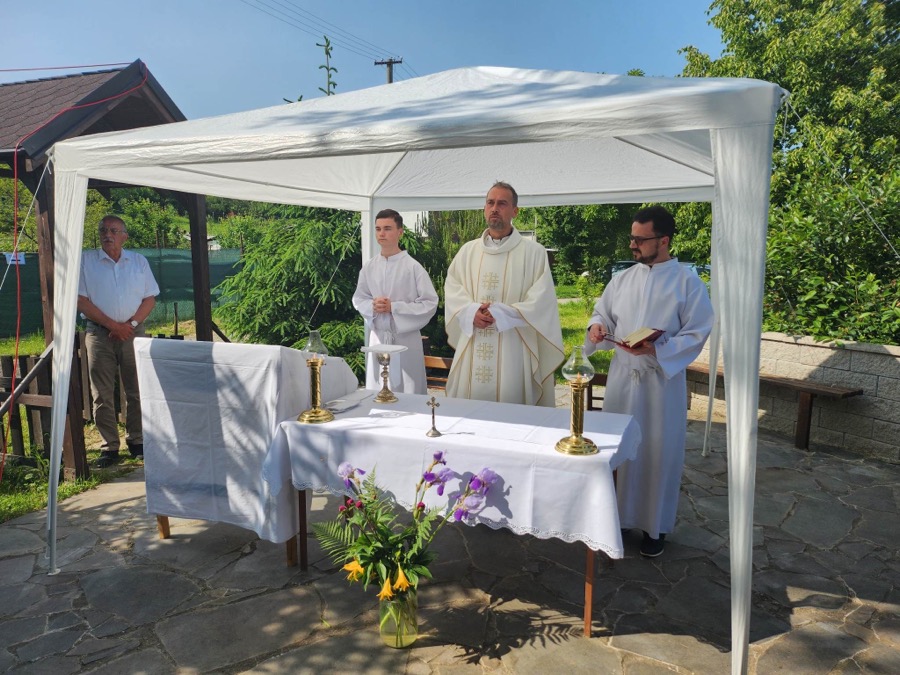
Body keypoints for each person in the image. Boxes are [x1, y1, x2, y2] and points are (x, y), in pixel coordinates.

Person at [585, 205, 714, 557]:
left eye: (641, 239)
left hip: (660, 385)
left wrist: (658, 349)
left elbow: (698, 331)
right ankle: (617, 518)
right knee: (619, 449)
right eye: (632, 238)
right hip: (622, 379)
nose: (633, 245)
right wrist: (597, 327)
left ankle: (655, 527)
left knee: (657, 452)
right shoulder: (622, 279)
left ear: (664, 240)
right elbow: (602, 313)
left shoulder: (688, 283)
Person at [444, 181, 563, 406]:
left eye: (502, 203)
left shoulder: (534, 253)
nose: (494, 208)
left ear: (515, 211)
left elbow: (542, 300)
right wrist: (470, 312)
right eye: (490, 203)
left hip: (514, 347)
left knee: (512, 408)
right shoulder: (467, 251)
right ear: (484, 208)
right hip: (474, 341)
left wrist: (502, 313)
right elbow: (453, 289)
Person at [78, 215, 160, 468]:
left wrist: (130, 326)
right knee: (101, 392)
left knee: (137, 388)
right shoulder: (85, 261)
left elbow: (150, 298)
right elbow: (80, 300)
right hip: (99, 334)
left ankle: (137, 441)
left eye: (114, 230)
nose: (107, 234)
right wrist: (114, 326)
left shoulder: (138, 261)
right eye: (103, 230)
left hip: (133, 332)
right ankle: (109, 446)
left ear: (125, 236)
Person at [352, 209, 438, 394]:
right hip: (379, 338)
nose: (381, 233)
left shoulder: (413, 267)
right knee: (378, 391)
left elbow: (429, 303)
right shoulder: (369, 267)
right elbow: (359, 298)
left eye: (387, 228)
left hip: (405, 340)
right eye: (378, 229)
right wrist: (372, 306)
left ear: (400, 232)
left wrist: (394, 307)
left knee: (408, 391)